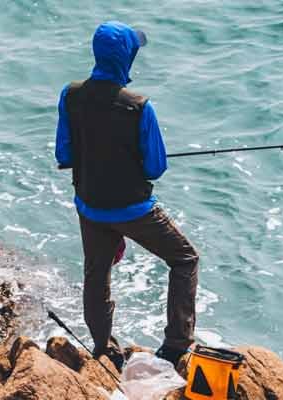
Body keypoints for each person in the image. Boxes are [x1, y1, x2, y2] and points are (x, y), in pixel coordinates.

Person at [55, 21, 199, 370]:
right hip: (133, 209)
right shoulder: (138, 107)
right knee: (185, 260)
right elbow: (155, 168)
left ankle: (103, 348)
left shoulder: (71, 95)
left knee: (96, 272)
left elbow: (64, 155)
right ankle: (177, 345)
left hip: (90, 205)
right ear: (126, 57)